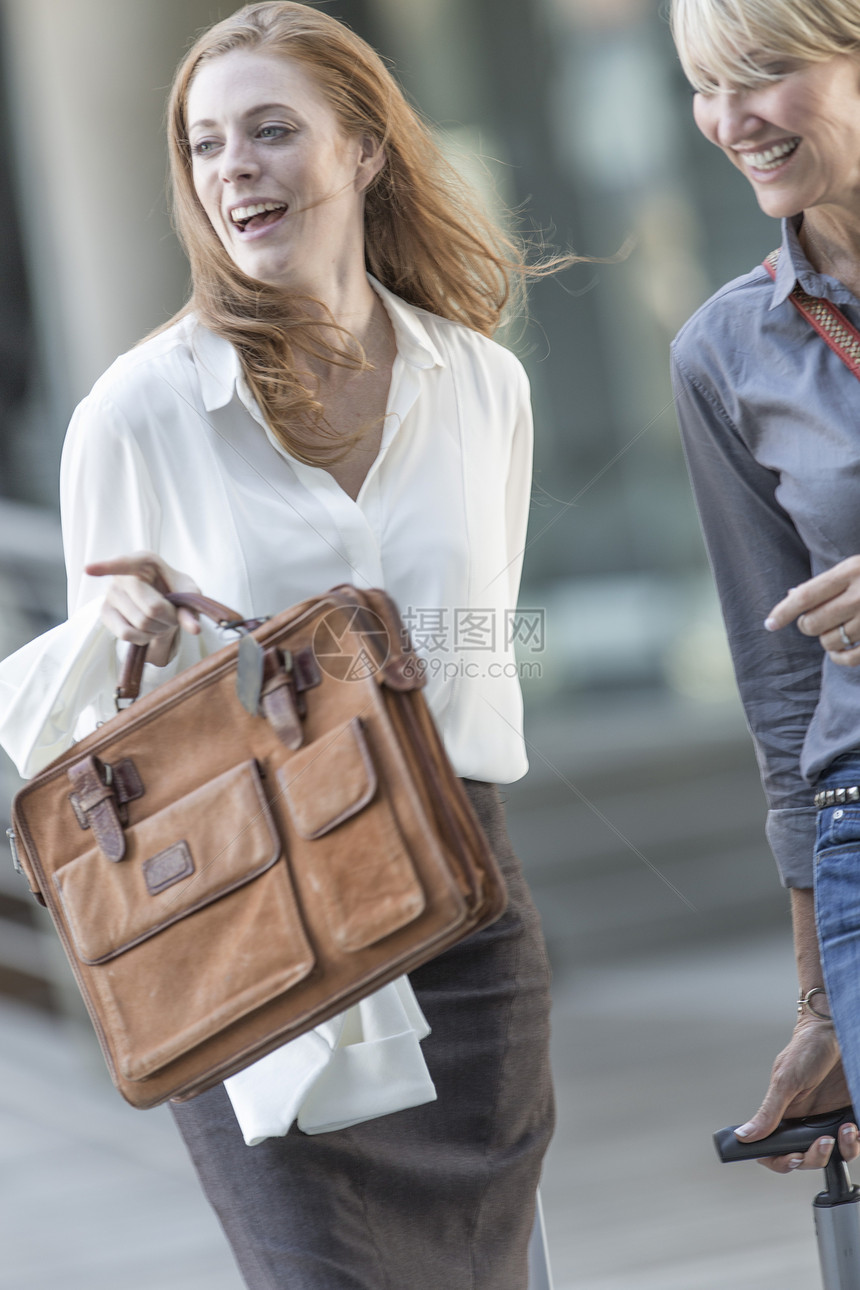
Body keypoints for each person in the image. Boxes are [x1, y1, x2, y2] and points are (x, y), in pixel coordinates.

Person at [0, 4, 555, 1286]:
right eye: (204, 146)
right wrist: (115, 639)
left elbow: (476, 643)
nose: (233, 168)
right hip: (250, 914)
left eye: (268, 131)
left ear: (361, 150)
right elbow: (86, 757)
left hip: (461, 910)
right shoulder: (138, 414)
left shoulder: (483, 385)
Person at [669, 0, 860, 1176]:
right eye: (704, 84)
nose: (729, 119)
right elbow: (783, 696)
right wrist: (818, 999)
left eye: (763, 71)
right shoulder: (722, 351)